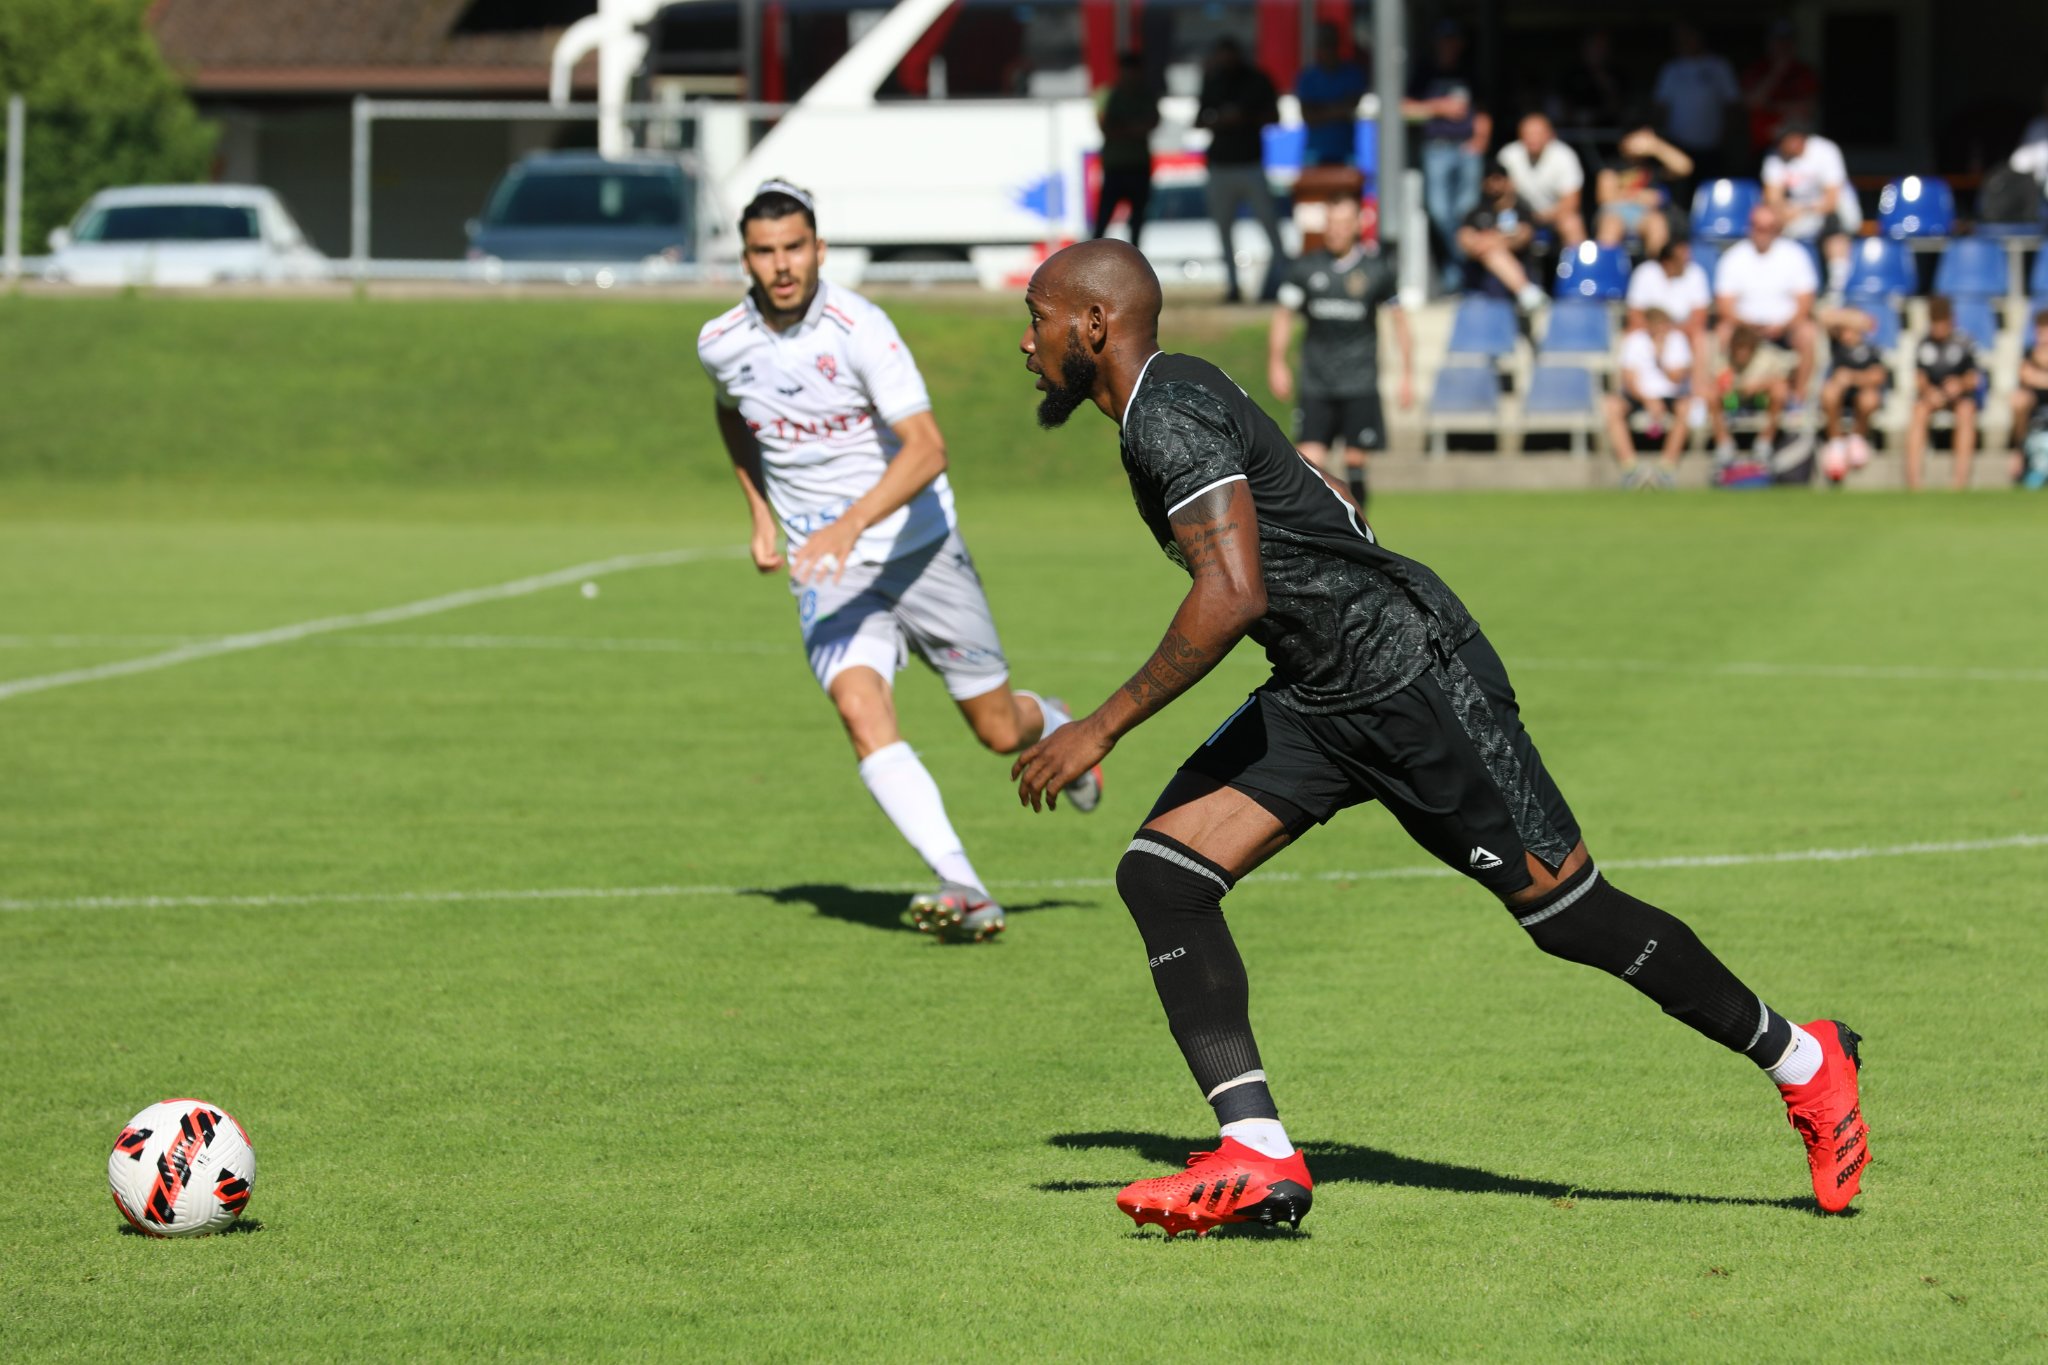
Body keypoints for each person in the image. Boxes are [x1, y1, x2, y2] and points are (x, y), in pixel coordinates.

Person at [1010, 238, 1870, 1235]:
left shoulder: (1166, 411)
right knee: (1163, 877)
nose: (1025, 342)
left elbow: (1232, 591)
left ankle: (1807, 1064)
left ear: (1094, 324)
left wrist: (1100, 726)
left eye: (1035, 317)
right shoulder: (1175, 396)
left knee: (1569, 917)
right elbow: (1309, 494)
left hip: (1412, 685)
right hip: (1320, 690)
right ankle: (1257, 1152)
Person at [697, 181, 1102, 944]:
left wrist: (848, 525)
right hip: (830, 570)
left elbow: (928, 449)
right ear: (745, 258)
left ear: (818, 249)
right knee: (860, 710)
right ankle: (965, 884)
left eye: (794, 248)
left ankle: (1053, 721)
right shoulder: (722, 341)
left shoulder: (862, 329)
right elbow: (731, 410)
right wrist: (760, 512)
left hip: (920, 550)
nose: (781, 265)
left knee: (994, 728)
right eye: (764, 251)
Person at [1267, 195, 1413, 512]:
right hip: (1316, 381)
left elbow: (1400, 322)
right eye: (1330, 224)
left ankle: (1361, 533)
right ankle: (1312, 534)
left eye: (1343, 224)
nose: (1335, 231)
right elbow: (1283, 315)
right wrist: (1277, 362)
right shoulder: (1305, 268)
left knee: (1355, 459)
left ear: (1358, 225)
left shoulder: (1377, 270)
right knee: (1309, 461)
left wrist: (1407, 375)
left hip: (1359, 381)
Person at [1403, 21, 1490, 295]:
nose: (1450, 46)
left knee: (1467, 212)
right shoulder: (1425, 73)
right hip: (1436, 148)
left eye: (1454, 40)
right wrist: (1438, 107)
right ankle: (1464, 266)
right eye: (1445, 40)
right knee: (1440, 212)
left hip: (1466, 149)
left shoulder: (1468, 72)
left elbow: (1483, 110)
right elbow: (1404, 108)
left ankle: (1458, 275)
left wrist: (1480, 140)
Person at [1197, 37, 1286, 304]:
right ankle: (1233, 287)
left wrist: (1244, 117)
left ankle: (1282, 281)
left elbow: (1274, 116)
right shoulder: (1213, 80)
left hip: (1250, 162)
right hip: (1221, 164)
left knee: (1270, 224)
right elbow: (1200, 119)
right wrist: (1221, 119)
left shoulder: (1257, 79)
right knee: (1223, 230)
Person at [1714, 204, 1818, 399]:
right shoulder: (1733, 258)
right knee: (1722, 331)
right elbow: (1725, 306)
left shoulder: (1795, 255)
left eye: (1768, 227)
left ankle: (1798, 398)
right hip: (1744, 327)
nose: (1762, 233)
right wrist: (1748, 326)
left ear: (1777, 229)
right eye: (1757, 226)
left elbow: (1805, 302)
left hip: (1786, 328)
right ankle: (1725, 396)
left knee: (1808, 332)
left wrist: (1783, 325)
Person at [1762, 122, 1857, 296]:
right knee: (1769, 223)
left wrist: (1800, 210)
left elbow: (1831, 199)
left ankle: (1838, 287)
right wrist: (1784, 212)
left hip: (1835, 208)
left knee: (1834, 226)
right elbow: (1772, 198)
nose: (1783, 144)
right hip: (1798, 211)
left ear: (1798, 139)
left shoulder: (1826, 150)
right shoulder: (1775, 156)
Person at [1606, 307, 1692, 486]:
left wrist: (1660, 356)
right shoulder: (1634, 340)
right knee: (1611, 406)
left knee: (1685, 408)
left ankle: (1666, 468)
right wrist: (1648, 400)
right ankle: (1630, 468)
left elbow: (1677, 377)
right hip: (1639, 396)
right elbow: (1628, 378)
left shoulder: (1678, 340)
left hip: (1670, 396)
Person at [1904, 296, 1982, 492]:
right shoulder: (1924, 344)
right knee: (1918, 411)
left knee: (1966, 411)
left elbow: (1975, 378)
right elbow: (1920, 377)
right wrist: (1929, 391)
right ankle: (1914, 483)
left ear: (1951, 321)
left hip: (1960, 398)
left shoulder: (1965, 342)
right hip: (1933, 396)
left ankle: (1959, 482)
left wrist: (1960, 384)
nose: (1938, 329)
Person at [1652, 24, 1739, 192]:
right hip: (1678, 145)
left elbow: (1732, 104)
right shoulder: (1672, 69)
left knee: (1711, 191)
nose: (1683, 42)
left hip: (1713, 145)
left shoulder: (1718, 66)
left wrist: (1728, 137)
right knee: (1680, 192)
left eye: (1688, 37)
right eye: (1679, 39)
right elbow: (1660, 107)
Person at [1626, 236, 1712, 404]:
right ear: (1667, 261)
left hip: (1681, 331)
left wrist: (1670, 330)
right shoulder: (1645, 273)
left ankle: (1697, 396)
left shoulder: (1695, 273)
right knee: (1631, 337)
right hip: (1650, 330)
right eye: (1682, 257)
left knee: (1699, 338)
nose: (1687, 260)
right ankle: (1636, 392)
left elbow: (1699, 317)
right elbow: (1634, 315)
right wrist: (1656, 330)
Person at [1457, 160, 1549, 315]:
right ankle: (1526, 292)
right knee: (1491, 253)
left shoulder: (1522, 210)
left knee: (1492, 252)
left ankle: (1525, 292)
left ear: (1508, 182)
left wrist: (1491, 240)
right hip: (1484, 276)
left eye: (1498, 179)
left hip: (1522, 266)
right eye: (1489, 180)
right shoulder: (1476, 212)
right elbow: (1464, 240)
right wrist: (1498, 240)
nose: (1493, 184)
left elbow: (1524, 236)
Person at [1093, 51, 1161, 248]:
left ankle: (1134, 265)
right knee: (1102, 222)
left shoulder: (1146, 95)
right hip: (1115, 167)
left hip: (1138, 166)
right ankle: (1090, 263)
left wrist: (1124, 128)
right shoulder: (1108, 94)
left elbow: (1151, 123)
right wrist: (1134, 128)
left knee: (1137, 224)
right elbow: (1106, 127)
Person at [1595, 126, 1693, 260]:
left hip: (1646, 215)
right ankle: (1606, 271)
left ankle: (1654, 272)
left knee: (1657, 224)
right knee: (1611, 226)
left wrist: (1657, 146)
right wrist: (1639, 196)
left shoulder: (1654, 166)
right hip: (1616, 212)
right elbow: (1604, 197)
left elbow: (1685, 167)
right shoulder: (1612, 165)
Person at [1817, 306, 1888, 478]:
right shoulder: (1836, 344)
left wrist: (1852, 378)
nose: (1845, 333)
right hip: (1840, 395)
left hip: (1860, 393)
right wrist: (1852, 317)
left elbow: (1879, 375)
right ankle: (1836, 443)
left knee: (1869, 397)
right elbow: (1822, 316)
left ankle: (1857, 439)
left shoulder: (1870, 348)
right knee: (1829, 390)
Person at [1498, 113, 1587, 248]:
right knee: (1501, 227)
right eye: (1528, 134)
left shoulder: (1565, 156)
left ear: (1550, 135)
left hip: (1555, 216)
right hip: (1520, 218)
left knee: (1572, 223)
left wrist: (1541, 217)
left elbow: (1571, 203)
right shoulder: (1508, 156)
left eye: (1538, 133)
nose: (1533, 138)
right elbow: (1499, 198)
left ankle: (1579, 268)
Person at [1710, 323, 1795, 459]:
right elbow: (1715, 383)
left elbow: (1784, 380)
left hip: (1761, 400)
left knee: (1779, 391)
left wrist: (1761, 385)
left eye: (1745, 350)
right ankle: (1723, 444)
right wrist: (1731, 388)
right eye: (1738, 349)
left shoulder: (1768, 357)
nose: (1742, 354)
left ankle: (1765, 442)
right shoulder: (1723, 359)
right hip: (1733, 402)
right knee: (1711, 394)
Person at [1741, 19, 1819, 157]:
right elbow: (1752, 103)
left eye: (1787, 41)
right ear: (1769, 43)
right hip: (1762, 144)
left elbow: (1807, 108)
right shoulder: (1757, 69)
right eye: (1778, 41)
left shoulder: (1803, 71)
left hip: (1796, 146)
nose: (1783, 45)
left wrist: (1770, 106)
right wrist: (1777, 72)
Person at [1296, 23, 1366, 169]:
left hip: (1345, 151)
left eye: (1330, 43)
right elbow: (1308, 116)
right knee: (1312, 191)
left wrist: (1321, 110)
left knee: (1347, 190)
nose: (1327, 48)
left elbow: (1351, 106)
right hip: (1314, 152)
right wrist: (1339, 110)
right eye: (1323, 43)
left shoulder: (1352, 74)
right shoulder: (1308, 77)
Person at [1554, 27, 1631, 132]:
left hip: (1609, 132)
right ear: (1584, 48)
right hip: (1575, 132)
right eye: (1594, 46)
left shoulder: (1617, 74)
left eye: (1602, 47)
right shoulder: (1571, 74)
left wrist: (1602, 79)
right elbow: (1560, 105)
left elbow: (1621, 107)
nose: (1598, 51)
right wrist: (1578, 116)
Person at [2009, 310, 2048, 486]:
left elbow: (2033, 377)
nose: (2044, 337)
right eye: (2040, 332)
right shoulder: (2029, 354)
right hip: (2035, 413)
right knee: (2019, 399)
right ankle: (2019, 453)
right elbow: (2025, 376)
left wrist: (2038, 376)